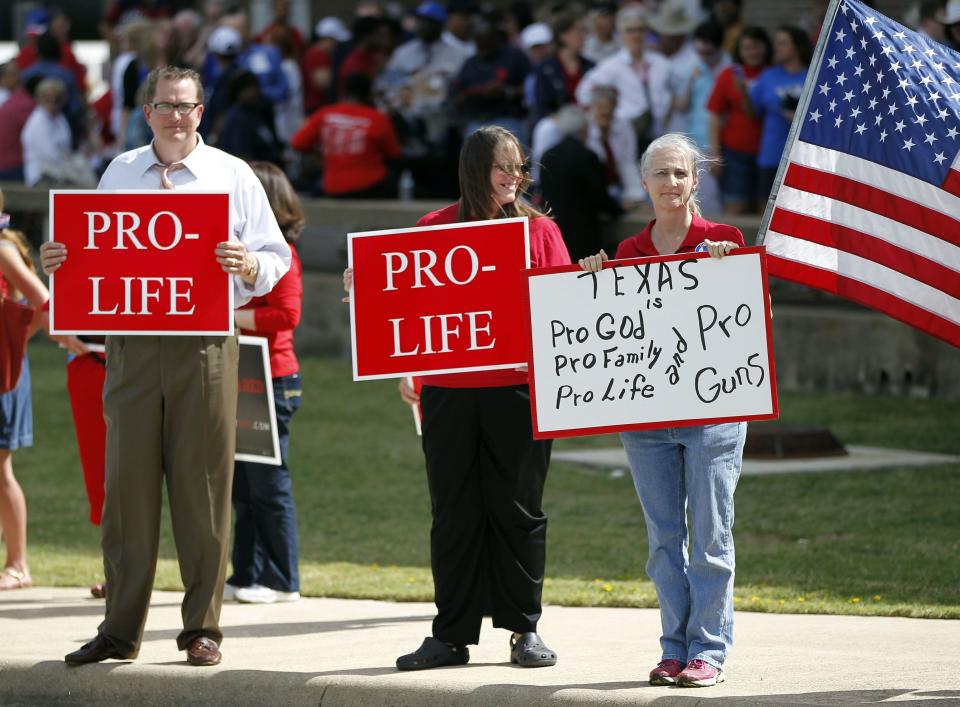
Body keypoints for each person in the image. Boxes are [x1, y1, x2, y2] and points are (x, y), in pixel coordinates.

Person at [43, 65, 291, 668]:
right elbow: (95, 250)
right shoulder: (120, 171)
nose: (175, 116)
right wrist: (60, 260)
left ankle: (202, 629)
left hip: (205, 344)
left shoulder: (233, 175)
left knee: (203, 487)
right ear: (146, 111)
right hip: (128, 345)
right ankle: (119, 630)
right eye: (164, 106)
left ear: (200, 112)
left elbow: (275, 254)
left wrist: (249, 267)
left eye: (186, 106)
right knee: (125, 488)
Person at [343, 126, 570, 671]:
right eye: (502, 168)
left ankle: (524, 629)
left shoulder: (539, 233)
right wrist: (366, 290)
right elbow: (410, 307)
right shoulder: (433, 227)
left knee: (518, 512)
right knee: (453, 515)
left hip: (519, 393)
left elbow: (565, 306)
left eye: (519, 168)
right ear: (475, 170)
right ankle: (451, 635)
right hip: (447, 392)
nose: (514, 178)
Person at [578, 133, 746, 688]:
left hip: (714, 414)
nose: (671, 183)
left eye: (681, 173)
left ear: (696, 181)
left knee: (711, 539)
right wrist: (591, 285)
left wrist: (732, 271)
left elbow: (754, 324)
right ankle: (674, 647)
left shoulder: (724, 239)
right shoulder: (627, 254)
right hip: (645, 419)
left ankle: (710, 650)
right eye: (661, 174)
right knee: (662, 542)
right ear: (643, 182)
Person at [224, 161, 303, 605]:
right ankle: (247, 573)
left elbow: (287, 316)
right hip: (242, 375)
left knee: (269, 483)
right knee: (243, 486)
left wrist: (231, 316)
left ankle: (281, 578)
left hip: (272, 379)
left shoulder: (284, 257)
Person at [0, 201, 48, 591]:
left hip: (5, 375)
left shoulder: (2, 248)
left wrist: (16, 343)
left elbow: (45, 303)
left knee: (1, 470)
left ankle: (18, 565)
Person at [575, 6, 672, 154]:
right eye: (630, 30)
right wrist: (614, 113)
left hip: (661, 133)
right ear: (620, 34)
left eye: (640, 30)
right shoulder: (612, 65)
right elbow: (583, 92)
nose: (636, 35)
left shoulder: (661, 63)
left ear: (646, 32)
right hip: (629, 133)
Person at [290, 72, 400, 198]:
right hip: (370, 185)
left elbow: (297, 143)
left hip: (332, 186)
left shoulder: (325, 114)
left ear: (344, 92)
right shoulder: (378, 119)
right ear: (369, 94)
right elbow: (394, 154)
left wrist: (321, 154)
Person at [540, 105, 623, 261]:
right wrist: (619, 210)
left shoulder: (547, 156)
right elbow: (599, 196)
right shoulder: (587, 156)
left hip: (556, 230)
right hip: (584, 232)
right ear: (584, 130)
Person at [706, 26, 771, 214]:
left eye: (757, 46)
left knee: (764, 211)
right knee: (736, 207)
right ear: (739, 51)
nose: (752, 52)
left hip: (769, 154)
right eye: (747, 47)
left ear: (766, 47)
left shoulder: (773, 73)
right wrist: (715, 155)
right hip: (735, 154)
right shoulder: (729, 74)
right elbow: (714, 116)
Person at [748, 26, 810, 202]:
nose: (777, 48)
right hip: (771, 154)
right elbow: (753, 113)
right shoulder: (767, 76)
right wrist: (744, 94)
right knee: (765, 212)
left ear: (797, 47)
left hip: (802, 157)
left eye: (783, 43)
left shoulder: (812, 75)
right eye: (776, 43)